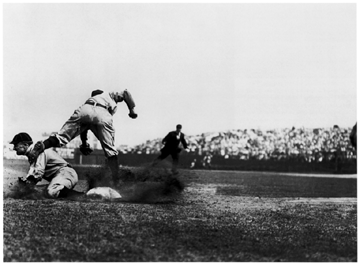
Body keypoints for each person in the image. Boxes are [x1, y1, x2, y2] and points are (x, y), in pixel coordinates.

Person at [28, 89, 138, 185]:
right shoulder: (109, 95)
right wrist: (132, 110)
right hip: (103, 113)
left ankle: (43, 145)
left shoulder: (91, 100)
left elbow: (83, 129)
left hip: (84, 111)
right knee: (110, 150)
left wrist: (84, 144)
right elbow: (125, 92)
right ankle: (116, 180)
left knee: (61, 137)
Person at [10, 132, 80, 198]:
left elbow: (38, 173)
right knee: (39, 191)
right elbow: (32, 172)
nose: (14, 148)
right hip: (61, 175)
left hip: (66, 173)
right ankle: (59, 188)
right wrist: (26, 182)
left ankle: (84, 195)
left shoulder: (39, 150)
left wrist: (28, 184)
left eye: (16, 145)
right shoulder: (32, 155)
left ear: (26, 145)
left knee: (51, 192)